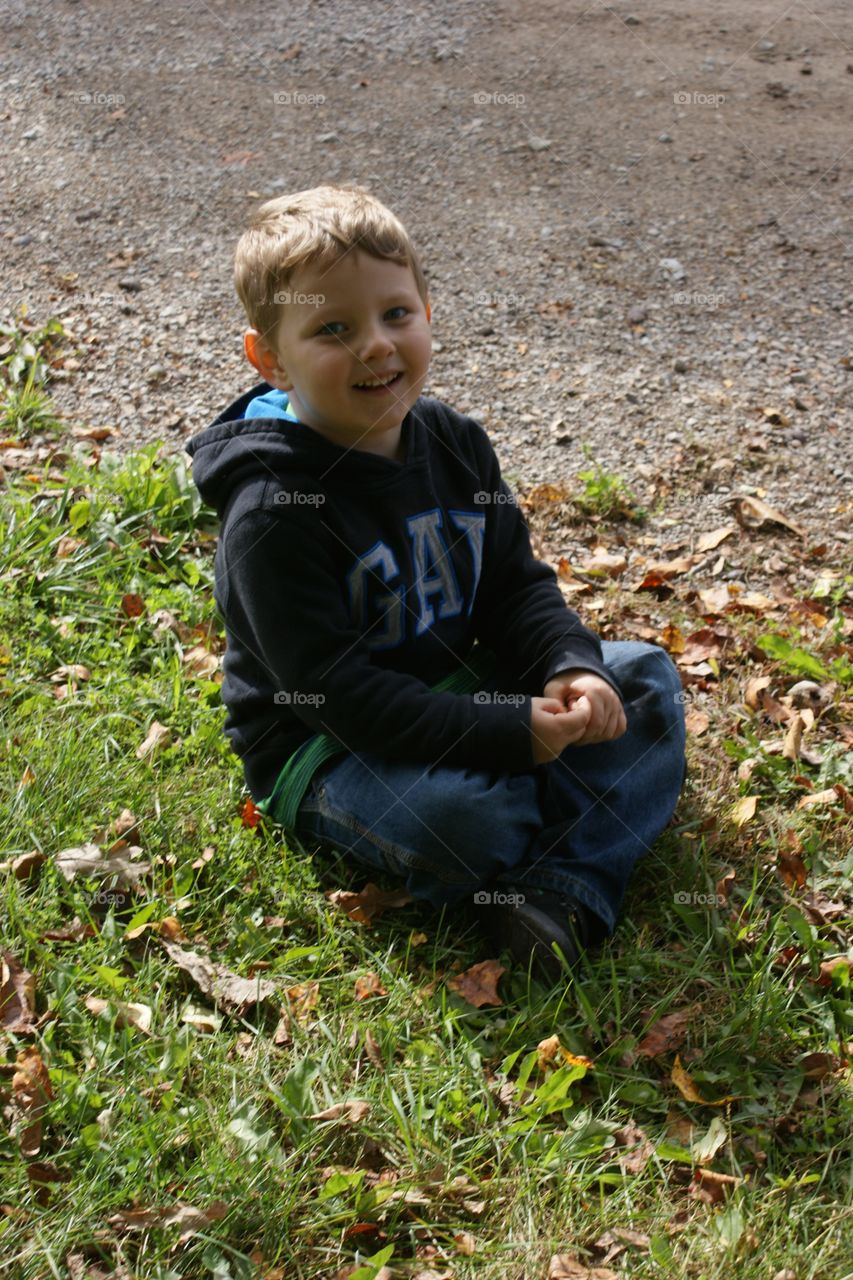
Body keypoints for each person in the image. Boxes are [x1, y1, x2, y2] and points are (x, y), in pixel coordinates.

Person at [186, 184, 686, 983]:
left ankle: (560, 893)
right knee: (470, 819)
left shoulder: (453, 443)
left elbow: (515, 587)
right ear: (269, 358)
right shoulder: (273, 510)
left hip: (463, 687)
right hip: (331, 749)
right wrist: (504, 732)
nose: (375, 347)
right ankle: (574, 825)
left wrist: (568, 666)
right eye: (332, 329)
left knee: (642, 677)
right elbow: (339, 697)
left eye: (395, 314)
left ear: (426, 311)